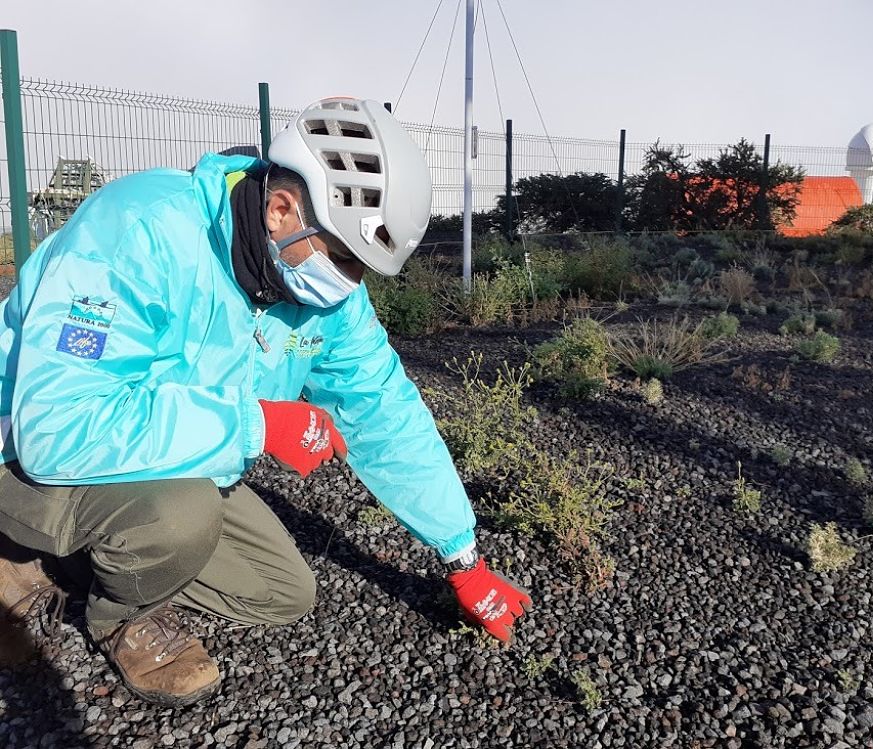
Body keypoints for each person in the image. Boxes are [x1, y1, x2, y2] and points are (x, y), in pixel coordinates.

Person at [0, 97, 531, 706]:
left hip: (158, 455)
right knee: (179, 518)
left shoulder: (323, 290)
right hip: (21, 444)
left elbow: (384, 408)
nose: (351, 287)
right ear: (282, 209)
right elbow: (57, 426)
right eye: (346, 262)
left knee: (279, 590)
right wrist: (253, 426)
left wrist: (462, 553)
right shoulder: (140, 230)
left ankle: (82, 555)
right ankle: (113, 611)